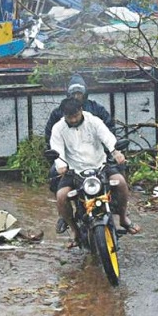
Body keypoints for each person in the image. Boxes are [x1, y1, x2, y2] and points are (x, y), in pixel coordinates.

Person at [50, 98, 140, 245]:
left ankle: (123, 218)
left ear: (81, 110)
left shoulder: (94, 121)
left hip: (100, 165)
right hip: (75, 171)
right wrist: (60, 164)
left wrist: (115, 151)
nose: (73, 119)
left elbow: (107, 137)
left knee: (121, 183)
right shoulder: (58, 129)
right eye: (69, 117)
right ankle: (74, 230)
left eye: (75, 116)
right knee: (61, 196)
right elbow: (56, 149)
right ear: (64, 115)